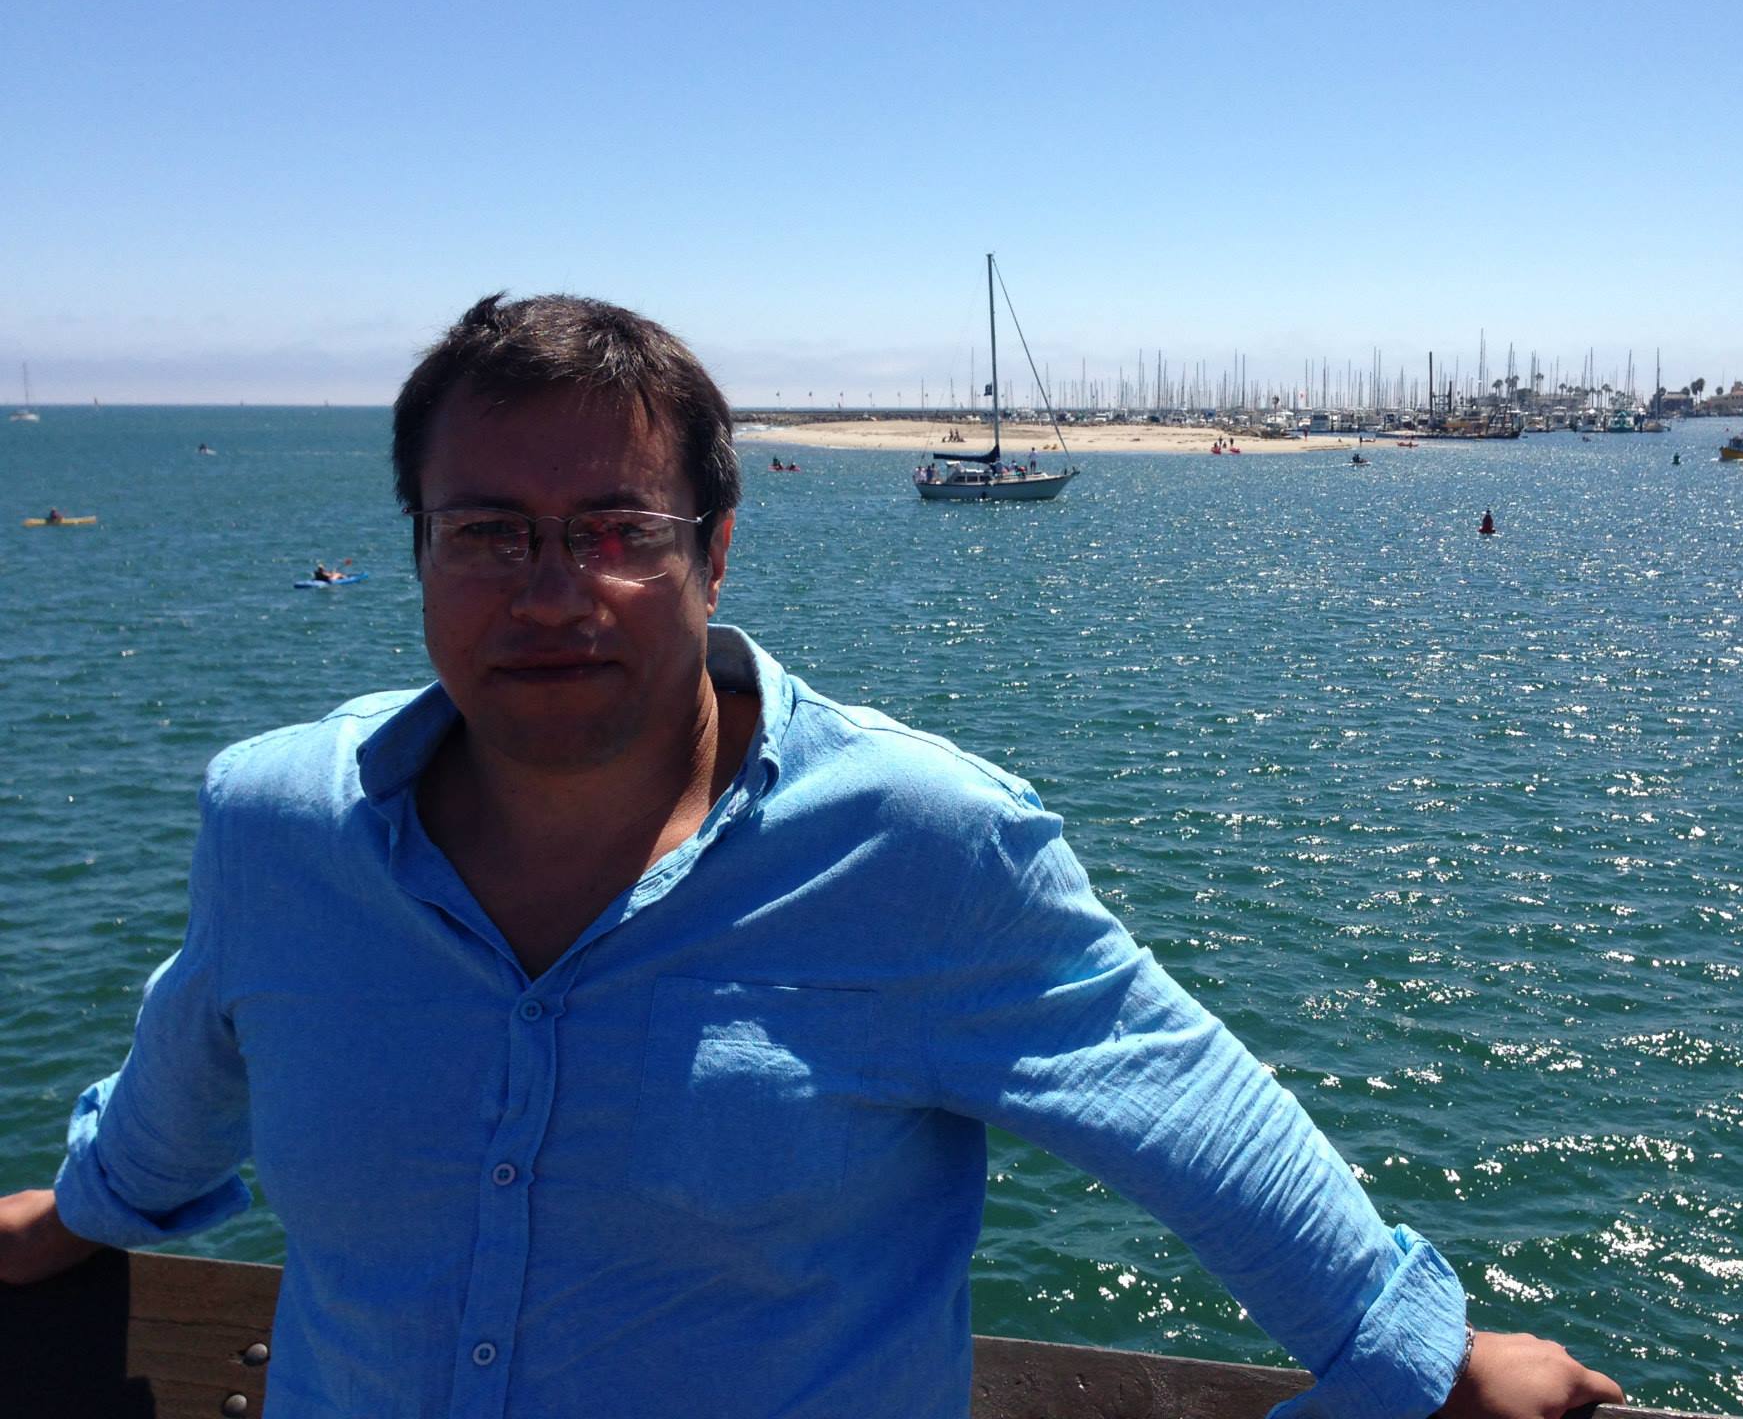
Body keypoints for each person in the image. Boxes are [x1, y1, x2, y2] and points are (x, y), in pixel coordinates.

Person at [0, 293, 1620, 1419]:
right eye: (488, 532)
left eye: (617, 532)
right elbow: (195, 1055)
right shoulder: (278, 822)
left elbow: (1188, 1107)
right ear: (420, 551)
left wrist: (1420, 1358)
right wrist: (80, 1214)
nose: (552, 591)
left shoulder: (914, 844)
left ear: (714, 553)